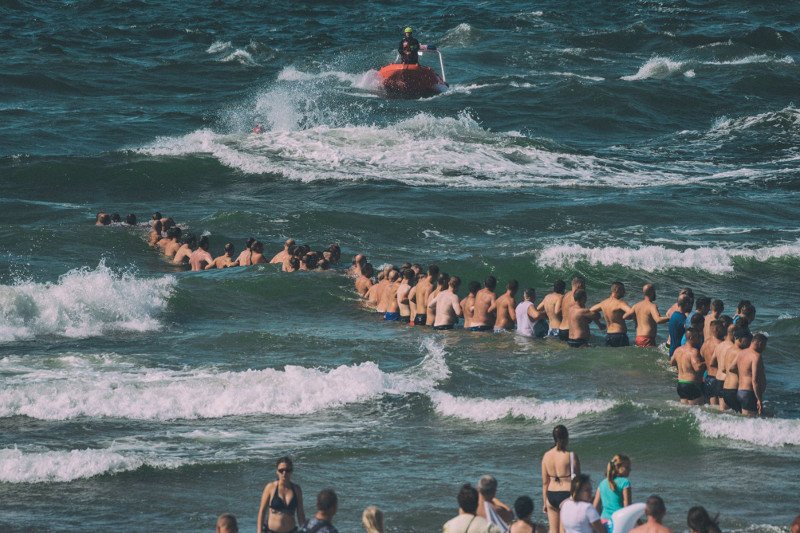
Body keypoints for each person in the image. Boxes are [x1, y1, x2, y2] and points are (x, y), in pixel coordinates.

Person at [541, 425, 580, 533]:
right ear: (567, 437)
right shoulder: (571, 455)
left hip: (550, 495)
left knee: (553, 531)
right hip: (566, 496)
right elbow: (578, 481)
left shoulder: (546, 456)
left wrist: (545, 502)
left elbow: (545, 482)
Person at [257, 457, 306, 533]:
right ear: (277, 472)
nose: (284, 473)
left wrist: (305, 529)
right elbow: (262, 511)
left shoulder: (296, 489)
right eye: (281, 470)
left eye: (287, 470)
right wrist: (259, 531)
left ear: (291, 471)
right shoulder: (270, 487)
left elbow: (300, 514)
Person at [733, 332, 767, 416]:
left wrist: (743, 375)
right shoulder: (756, 356)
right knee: (751, 422)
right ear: (760, 343)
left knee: (746, 420)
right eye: (764, 345)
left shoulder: (741, 352)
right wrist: (759, 400)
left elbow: (731, 368)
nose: (764, 349)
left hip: (740, 392)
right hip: (749, 393)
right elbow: (754, 380)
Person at [670, 328, 705, 405]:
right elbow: (697, 368)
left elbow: (672, 363)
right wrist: (706, 362)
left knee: (685, 409)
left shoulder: (677, 350)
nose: (699, 339)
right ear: (691, 338)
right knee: (700, 408)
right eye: (697, 337)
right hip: (691, 384)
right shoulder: (693, 351)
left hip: (680, 384)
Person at [592, 455, 632, 525]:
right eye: (627, 467)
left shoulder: (602, 483)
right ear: (618, 467)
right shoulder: (625, 482)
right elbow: (627, 508)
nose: (630, 469)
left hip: (603, 522)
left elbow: (595, 507)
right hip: (618, 522)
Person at [590, 282, 632, 347]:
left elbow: (591, 311)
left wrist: (599, 324)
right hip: (620, 335)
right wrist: (626, 317)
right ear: (617, 289)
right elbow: (631, 312)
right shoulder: (620, 303)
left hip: (608, 335)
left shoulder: (603, 303)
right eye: (623, 290)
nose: (624, 292)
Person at [721, 325, 751, 413]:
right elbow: (731, 368)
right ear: (740, 339)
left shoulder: (729, 350)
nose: (749, 343)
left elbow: (724, 369)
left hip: (726, 389)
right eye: (747, 340)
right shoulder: (740, 352)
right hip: (734, 390)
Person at [701, 320, 726, 405]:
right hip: (718, 378)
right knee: (721, 407)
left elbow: (701, 355)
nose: (725, 330)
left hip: (708, 377)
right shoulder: (721, 345)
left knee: (712, 406)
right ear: (717, 330)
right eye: (723, 328)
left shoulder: (705, 343)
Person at [559, 277, 586, 342]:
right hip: (570, 330)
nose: (585, 287)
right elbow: (583, 316)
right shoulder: (578, 298)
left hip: (561, 329)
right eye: (584, 285)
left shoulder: (565, 295)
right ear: (579, 285)